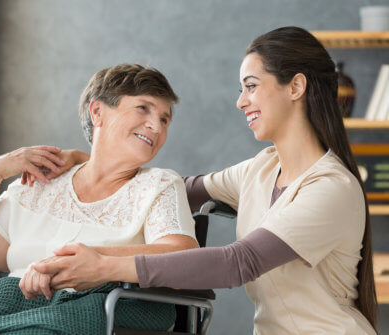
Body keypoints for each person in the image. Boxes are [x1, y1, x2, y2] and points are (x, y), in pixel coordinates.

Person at [25, 27, 379, 334]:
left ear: (296, 86)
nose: (241, 101)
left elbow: (238, 263)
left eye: (251, 86)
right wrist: (90, 162)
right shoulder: (261, 170)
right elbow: (167, 189)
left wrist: (104, 267)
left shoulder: (331, 188)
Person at [0, 63, 199, 334]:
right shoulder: (43, 182)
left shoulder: (158, 184)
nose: (156, 126)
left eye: (164, 119)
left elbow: (183, 256)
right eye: (143, 108)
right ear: (97, 112)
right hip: (16, 300)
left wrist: (90, 259)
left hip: (103, 303)